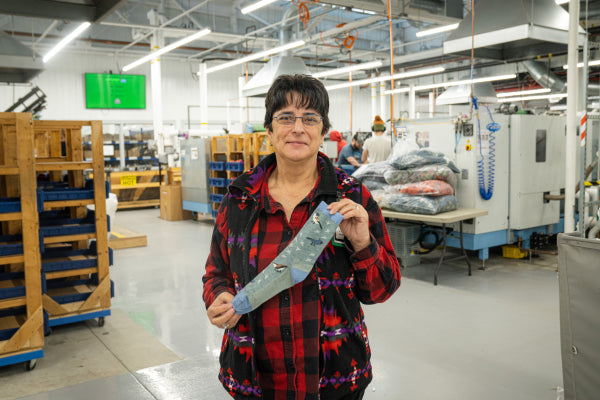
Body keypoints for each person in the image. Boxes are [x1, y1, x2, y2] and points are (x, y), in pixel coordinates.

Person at [203, 74, 401, 400]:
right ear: (269, 130)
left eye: (310, 118)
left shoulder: (351, 197)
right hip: (253, 377)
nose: (298, 128)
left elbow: (382, 290)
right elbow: (216, 272)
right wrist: (218, 296)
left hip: (334, 379)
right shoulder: (239, 199)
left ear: (323, 132)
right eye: (285, 117)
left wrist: (363, 244)